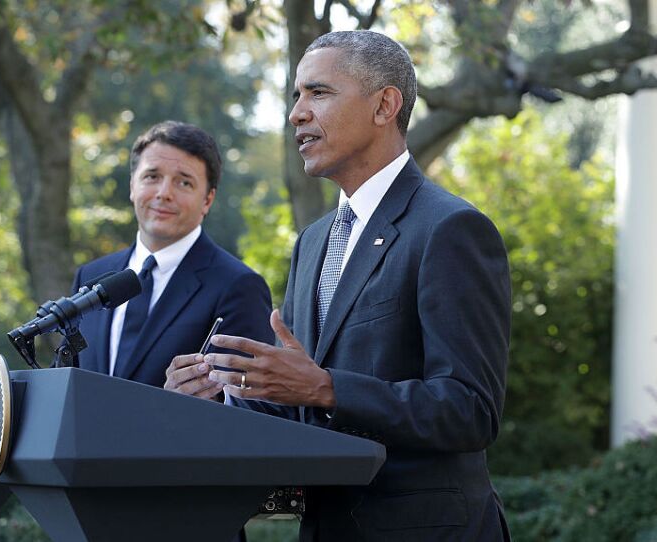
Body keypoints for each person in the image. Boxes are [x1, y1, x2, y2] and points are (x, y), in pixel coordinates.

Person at [165, 31, 512, 541]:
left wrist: (325, 386)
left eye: (318, 93)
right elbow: (306, 401)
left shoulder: (449, 228)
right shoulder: (313, 242)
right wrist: (226, 395)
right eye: (296, 97)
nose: (296, 114)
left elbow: (470, 411)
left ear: (385, 105)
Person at [67, 120, 274, 389]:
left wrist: (181, 406)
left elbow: (251, 404)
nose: (164, 193)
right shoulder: (90, 276)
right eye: (152, 176)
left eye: (184, 183)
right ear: (133, 185)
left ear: (207, 200)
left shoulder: (239, 287)